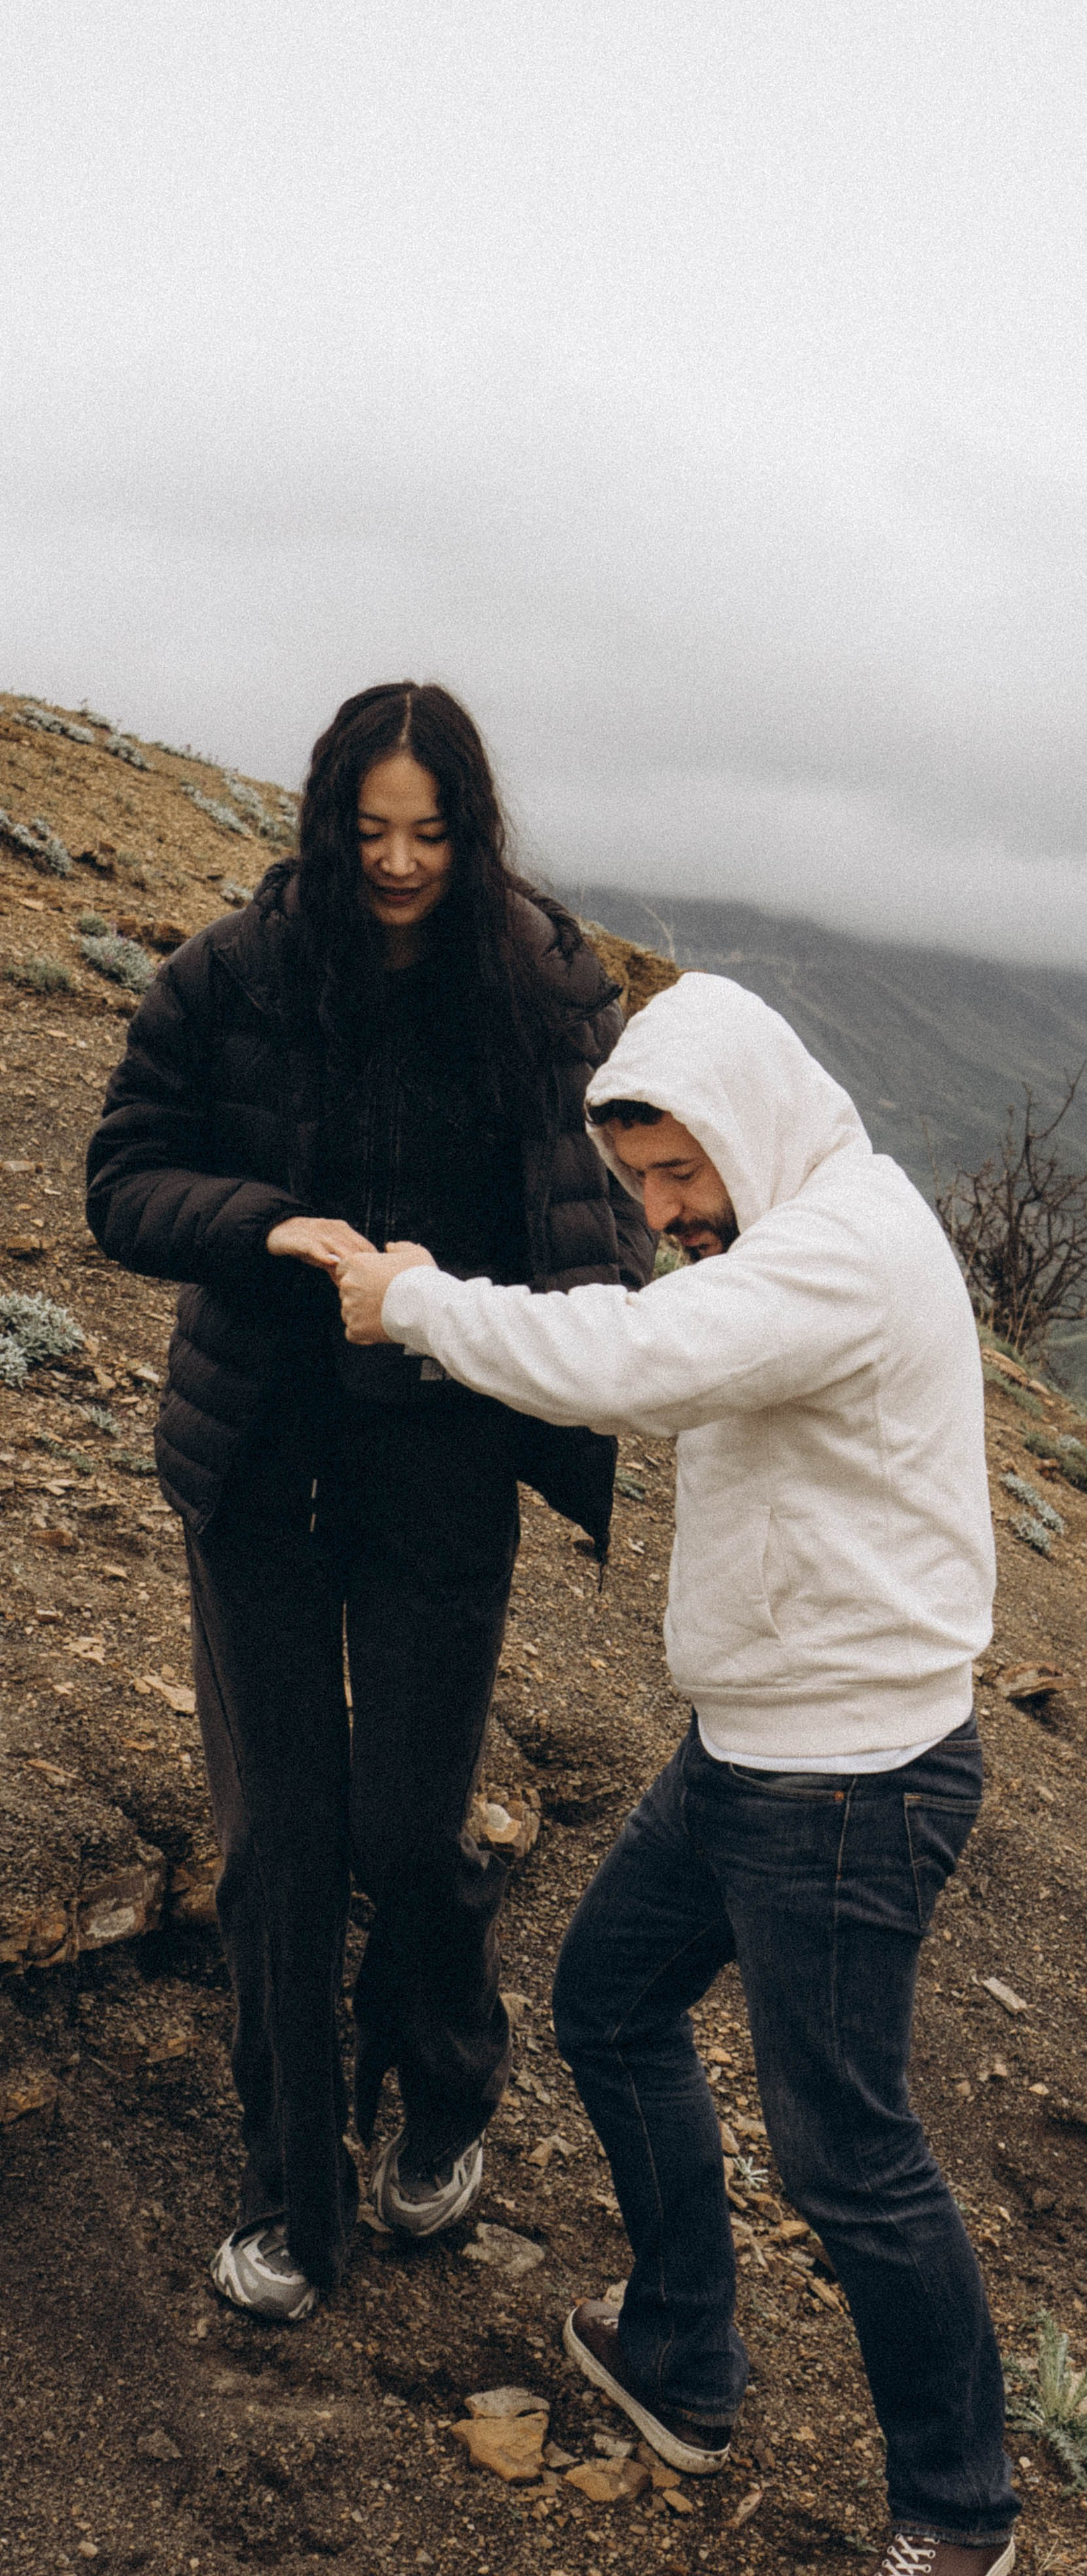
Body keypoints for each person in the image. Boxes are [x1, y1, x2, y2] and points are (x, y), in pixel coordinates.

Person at [335, 970, 1019, 2576]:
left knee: (848, 2158)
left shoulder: (836, 1252)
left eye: (678, 1172)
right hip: (754, 1749)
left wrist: (412, 1301)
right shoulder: (803, 1226)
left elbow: (633, 1365)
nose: (660, 1209)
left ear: (751, 1125)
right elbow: (659, 1343)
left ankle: (960, 2512)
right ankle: (680, 2361)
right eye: (636, 1179)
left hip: (842, 1783)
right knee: (610, 2004)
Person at [85, 681, 651, 2321]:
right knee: (279, 1838)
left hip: (443, 1455)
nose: (398, 863)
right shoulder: (236, 972)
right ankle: (290, 2193)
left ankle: (446, 2096)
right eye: (370, 828)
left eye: (431, 832)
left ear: (473, 833)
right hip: (258, 1454)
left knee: (410, 1826)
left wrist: (509, 1318)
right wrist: (267, 1226)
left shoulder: (543, 988)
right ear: (326, 819)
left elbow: (598, 1209)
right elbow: (122, 1175)